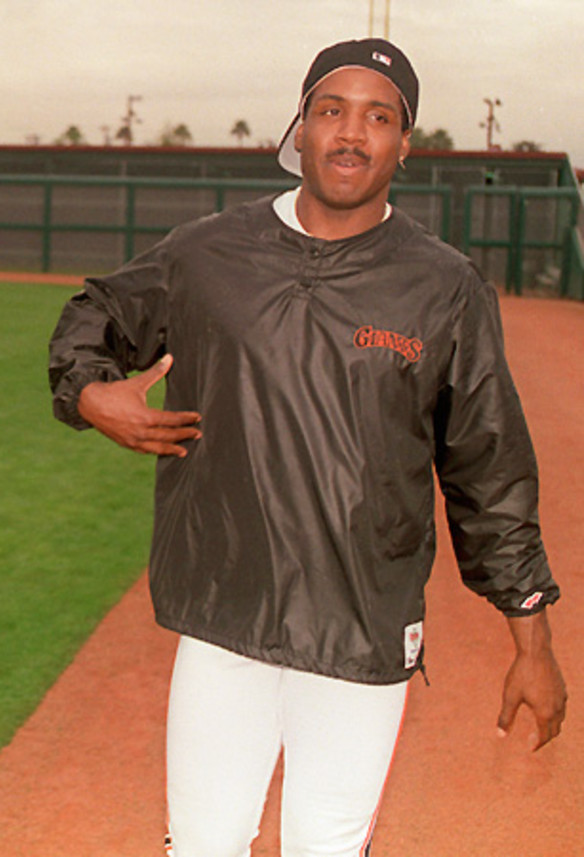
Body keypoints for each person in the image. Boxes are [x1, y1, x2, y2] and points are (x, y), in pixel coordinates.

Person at [48, 38, 566, 857]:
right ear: (300, 128)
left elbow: (488, 469)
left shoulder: (443, 287)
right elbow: (95, 314)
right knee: (203, 846)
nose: (351, 133)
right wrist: (88, 391)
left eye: (378, 116)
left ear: (404, 143)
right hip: (225, 616)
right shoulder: (206, 253)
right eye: (332, 110)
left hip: (359, 629)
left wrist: (531, 641)